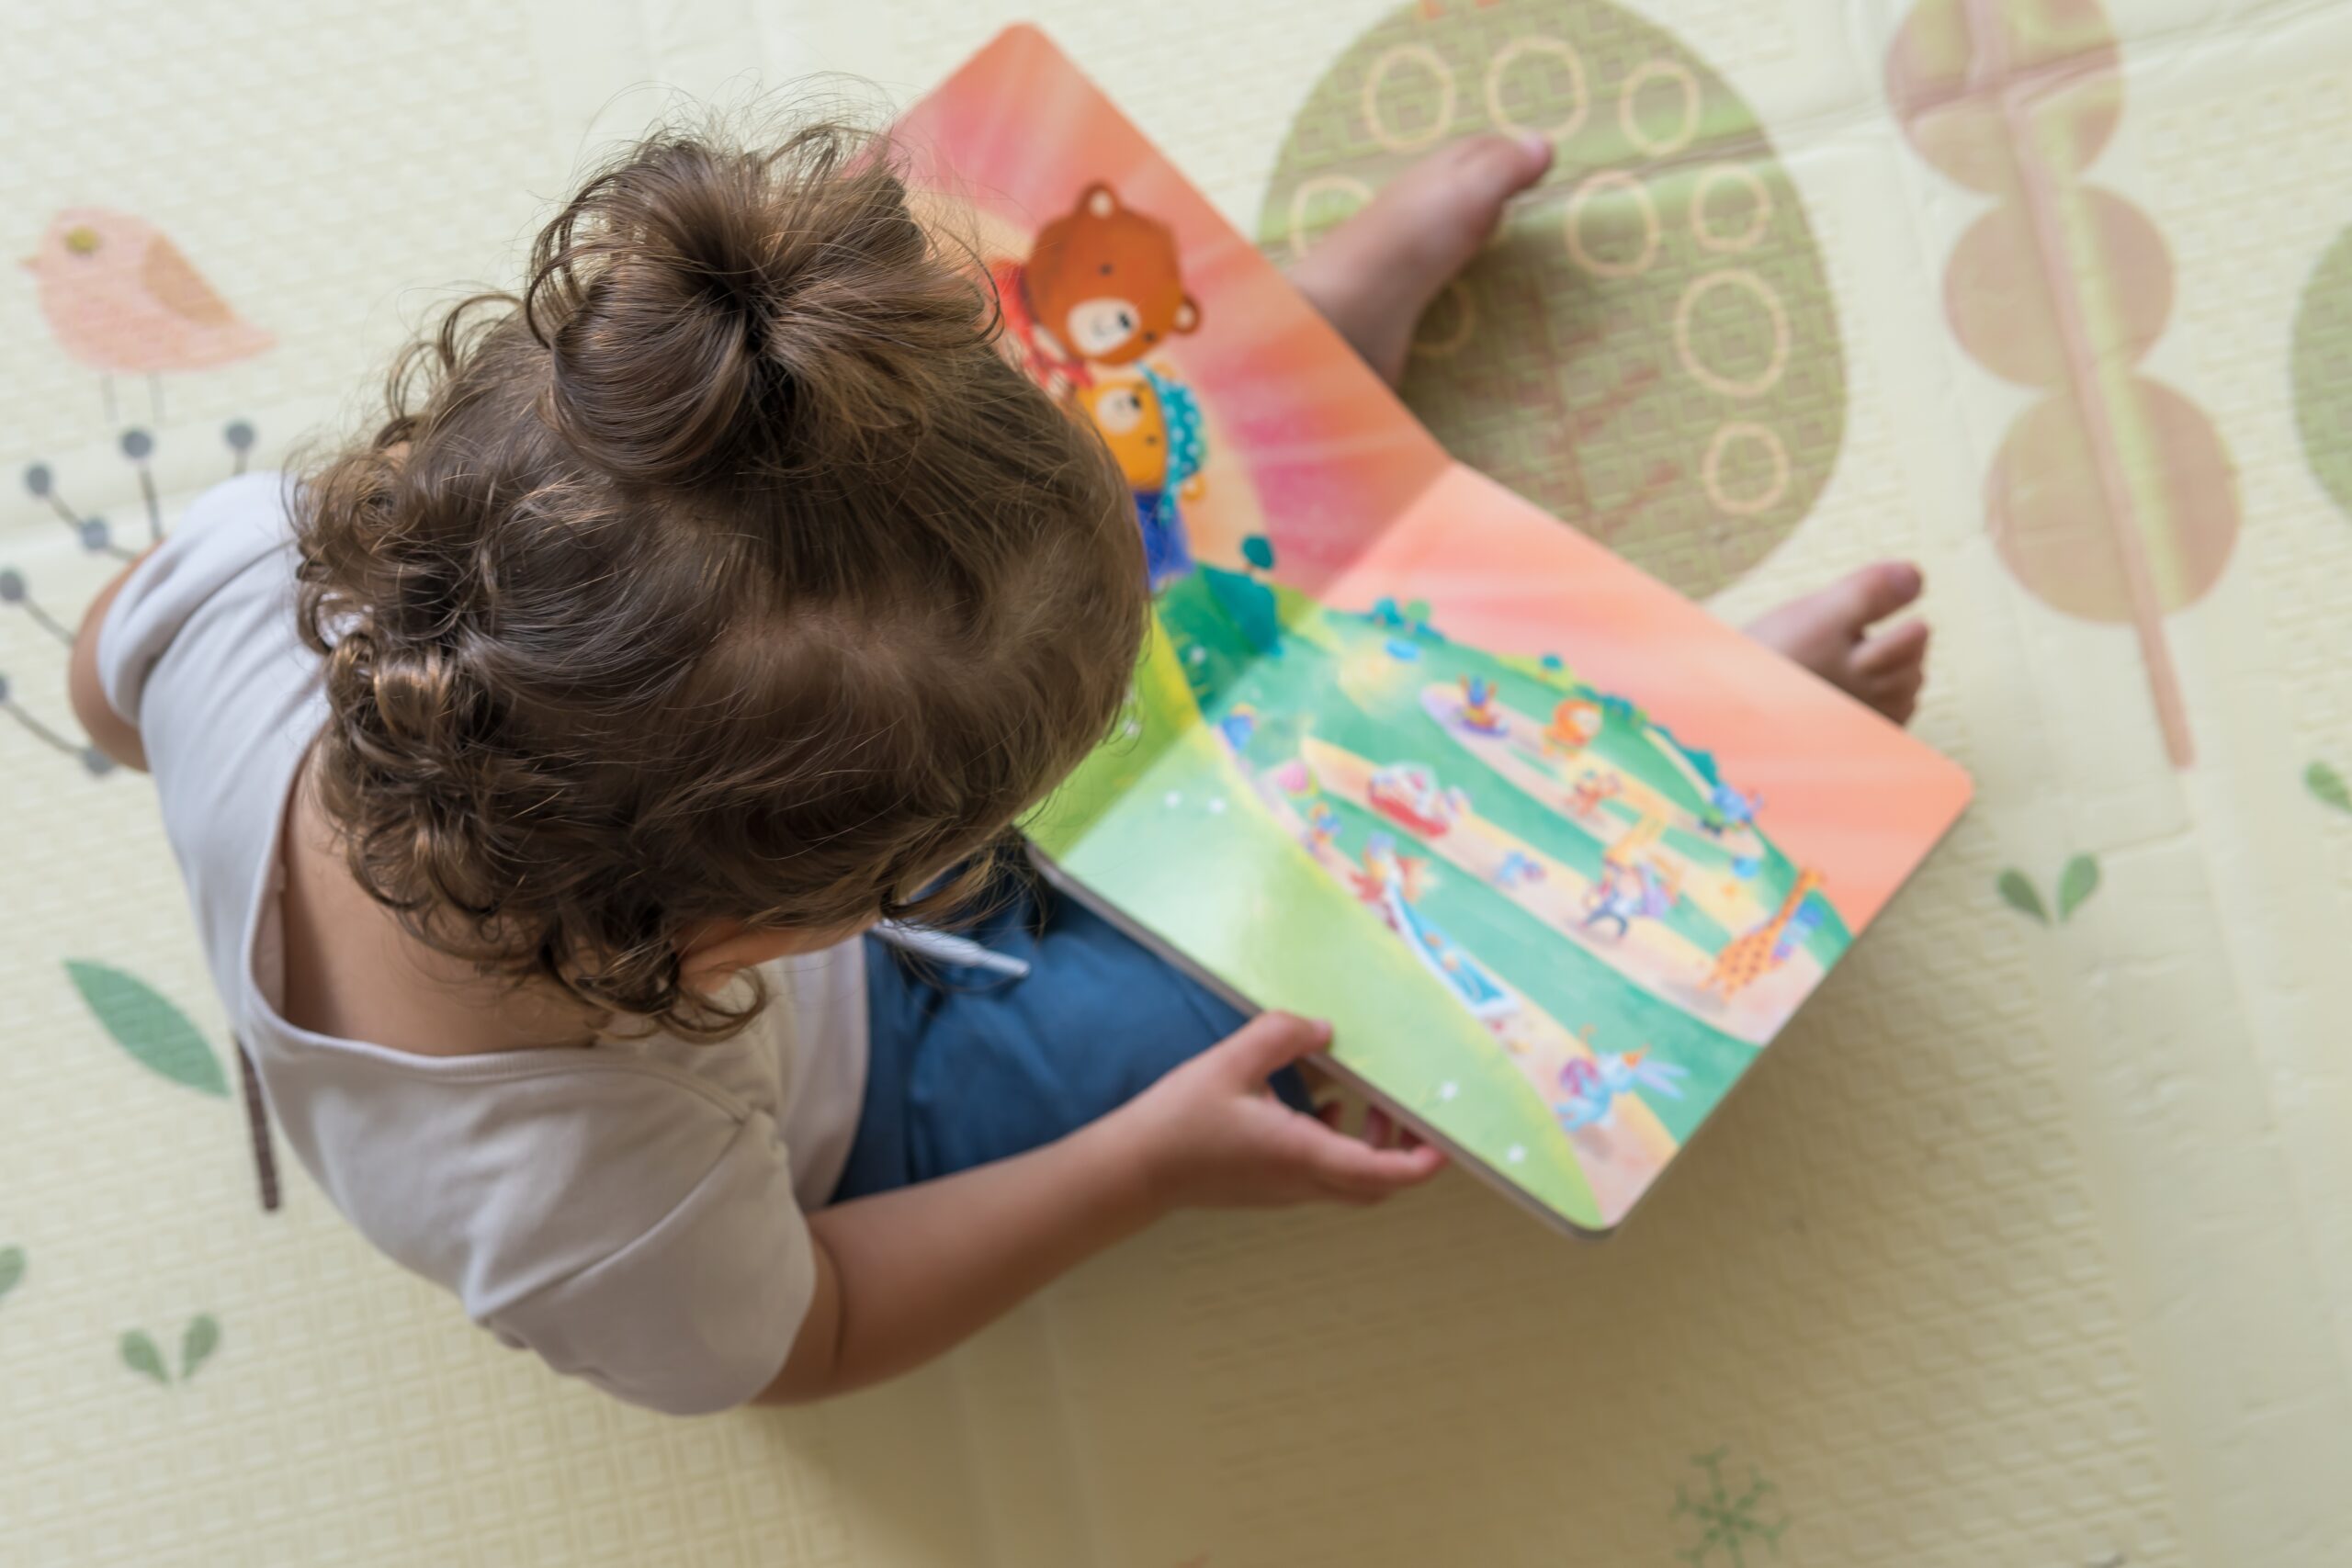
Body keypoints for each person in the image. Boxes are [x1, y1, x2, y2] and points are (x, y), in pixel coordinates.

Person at [66, 121, 1928, 1416]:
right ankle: (1666, 732)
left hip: (702, 843)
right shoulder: (586, 1212)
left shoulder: (254, 558)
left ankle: (1300, 374)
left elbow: (102, 681)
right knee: (1235, 972)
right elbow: (820, 1325)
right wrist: (1141, 1167)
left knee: (1044, 513)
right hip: (891, 1096)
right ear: (769, 925)